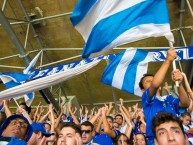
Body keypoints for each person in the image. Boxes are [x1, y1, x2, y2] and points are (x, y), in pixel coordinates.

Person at [139, 47, 190, 145]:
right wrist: (168, 60)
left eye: (152, 79)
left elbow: (185, 103)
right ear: (142, 90)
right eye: (147, 81)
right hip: (156, 140)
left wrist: (179, 84)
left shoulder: (169, 98)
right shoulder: (147, 100)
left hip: (178, 138)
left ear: (161, 87)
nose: (151, 82)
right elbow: (155, 84)